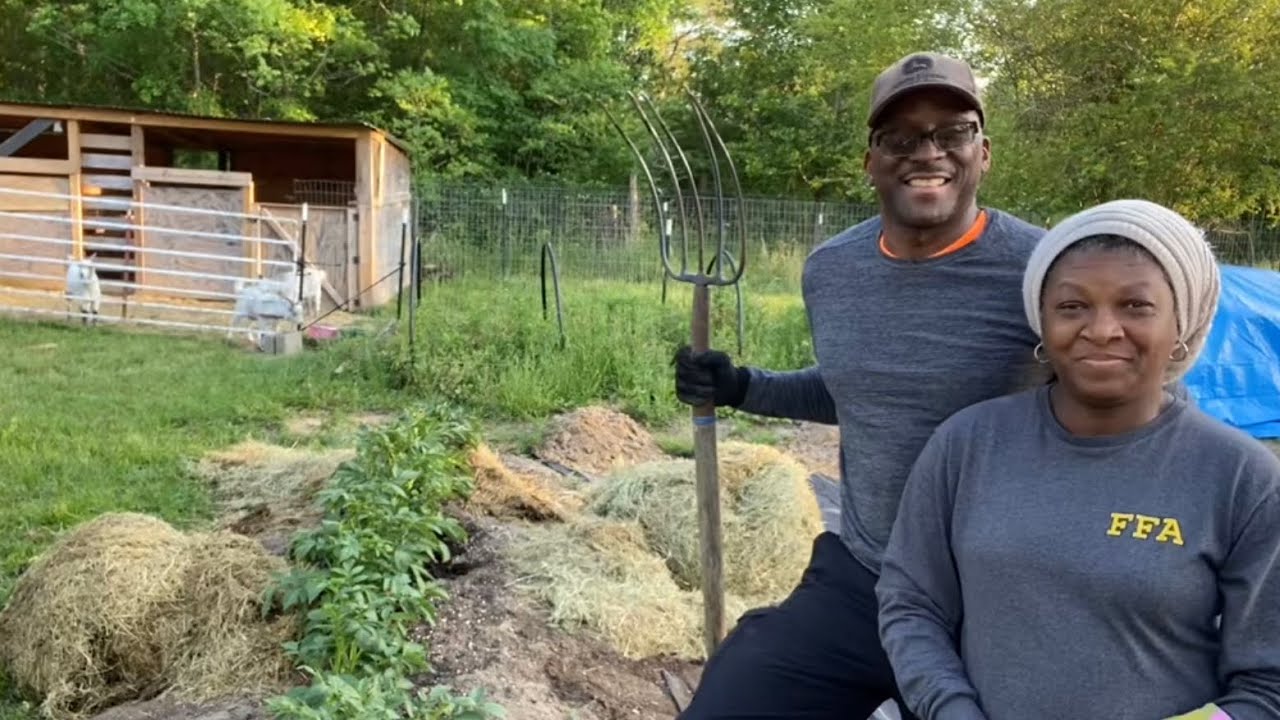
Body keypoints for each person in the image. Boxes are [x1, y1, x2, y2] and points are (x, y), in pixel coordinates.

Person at [673, 51, 1049, 719]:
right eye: (899, 138)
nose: (926, 151)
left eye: (951, 132)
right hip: (868, 575)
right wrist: (741, 388)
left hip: (994, 597)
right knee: (733, 701)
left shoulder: (1042, 273)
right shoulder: (833, 270)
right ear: (870, 162)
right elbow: (858, 390)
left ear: (983, 153)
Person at [877, 199, 1280, 720]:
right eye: (1072, 307)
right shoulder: (968, 444)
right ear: (1041, 322)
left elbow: (1268, 683)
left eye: (1136, 306)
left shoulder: (1242, 478)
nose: (1102, 329)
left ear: (1182, 327)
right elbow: (912, 603)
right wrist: (951, 708)